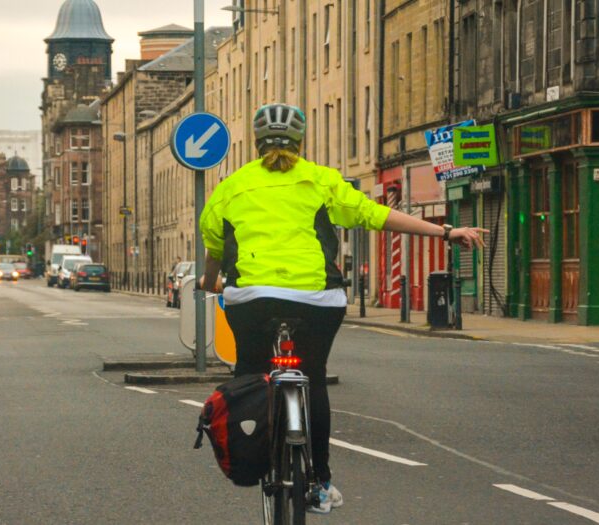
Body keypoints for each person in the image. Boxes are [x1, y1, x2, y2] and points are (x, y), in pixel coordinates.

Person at [198, 103, 486, 514]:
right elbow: (377, 216)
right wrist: (445, 231)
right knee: (312, 378)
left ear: (256, 143)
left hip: (252, 298)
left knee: (250, 375)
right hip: (318, 299)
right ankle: (318, 482)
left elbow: (214, 246)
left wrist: (211, 282)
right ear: (301, 141)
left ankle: (256, 452)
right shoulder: (321, 180)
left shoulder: (230, 187)